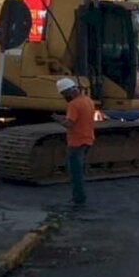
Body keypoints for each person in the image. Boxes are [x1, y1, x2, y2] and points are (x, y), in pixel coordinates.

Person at [52, 77, 95, 206]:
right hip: (87, 139)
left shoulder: (74, 104)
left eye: (64, 94)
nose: (64, 97)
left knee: (75, 173)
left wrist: (58, 120)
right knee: (78, 170)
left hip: (76, 142)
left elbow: (70, 124)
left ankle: (78, 199)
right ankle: (79, 197)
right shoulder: (88, 101)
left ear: (69, 91)